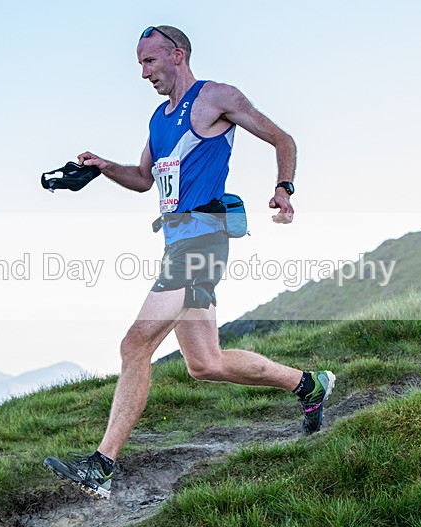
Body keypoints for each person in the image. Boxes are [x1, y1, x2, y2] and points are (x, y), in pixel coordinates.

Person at [43, 25, 335, 500]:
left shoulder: (216, 96)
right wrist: (101, 169)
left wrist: (284, 189)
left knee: (135, 343)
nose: (144, 73)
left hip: (203, 242)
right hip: (177, 243)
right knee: (205, 363)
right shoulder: (159, 120)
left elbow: (284, 140)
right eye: (140, 64)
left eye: (150, 62)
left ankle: (101, 467)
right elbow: (142, 179)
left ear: (177, 55)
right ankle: (309, 385)